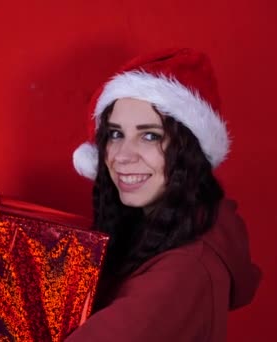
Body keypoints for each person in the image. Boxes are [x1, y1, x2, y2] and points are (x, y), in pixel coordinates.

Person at [66, 48, 261, 341]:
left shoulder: (185, 271)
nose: (122, 155)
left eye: (150, 136)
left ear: (188, 151)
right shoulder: (155, 228)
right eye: (116, 134)